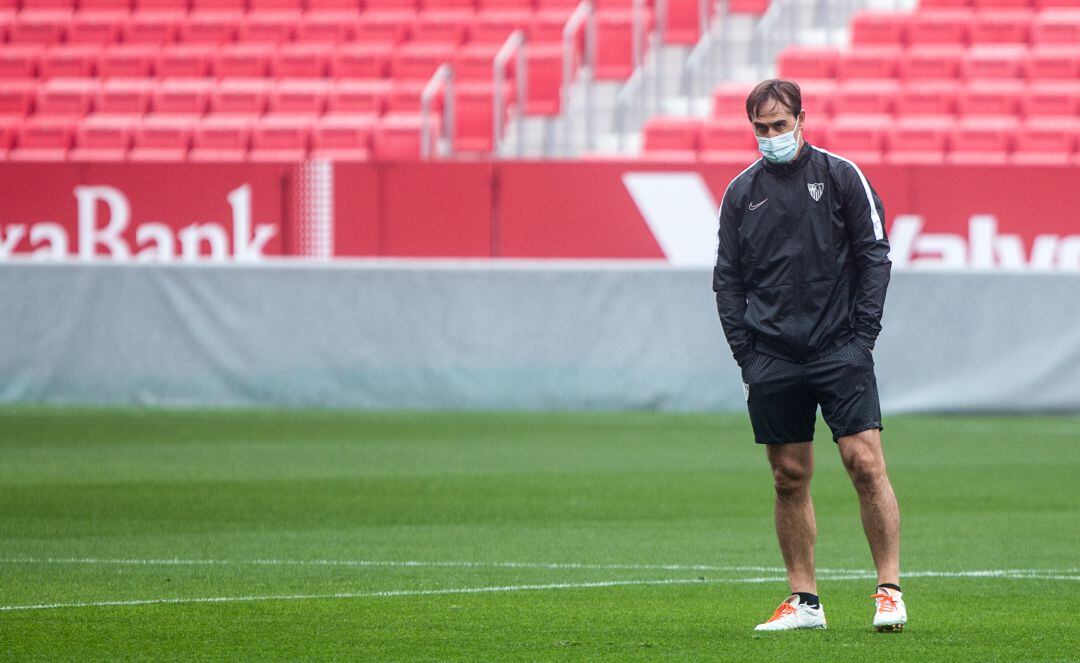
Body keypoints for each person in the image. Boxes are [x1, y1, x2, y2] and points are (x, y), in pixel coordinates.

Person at [712, 79, 906, 633]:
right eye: (761, 128)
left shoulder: (842, 177)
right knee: (788, 477)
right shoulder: (740, 193)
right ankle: (804, 601)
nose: (771, 135)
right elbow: (727, 279)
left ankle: (889, 590)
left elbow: (874, 257)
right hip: (772, 355)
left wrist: (863, 337)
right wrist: (746, 353)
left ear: (801, 119)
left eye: (779, 124)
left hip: (840, 347)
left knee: (864, 464)